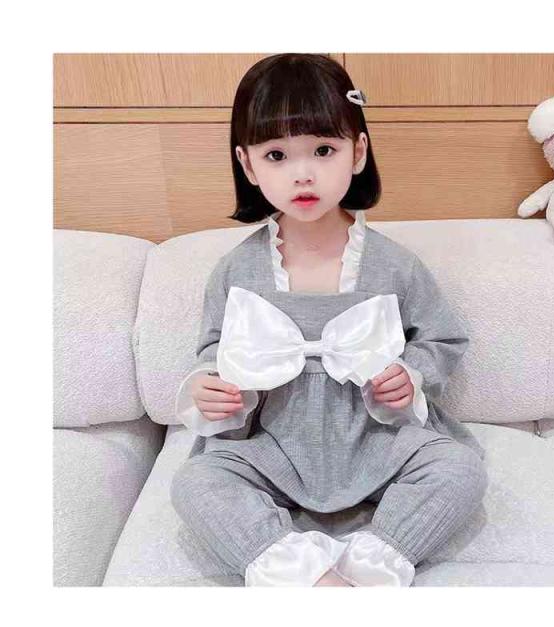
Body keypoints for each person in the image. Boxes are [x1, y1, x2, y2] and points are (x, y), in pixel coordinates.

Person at [171, 53, 488, 587]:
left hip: (377, 440)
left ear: (357, 152)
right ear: (248, 165)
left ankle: (379, 556)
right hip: (272, 445)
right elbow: (214, 348)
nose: (303, 173)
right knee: (196, 482)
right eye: (276, 155)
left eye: (323, 150)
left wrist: (410, 374)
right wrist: (209, 385)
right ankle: (300, 570)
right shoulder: (235, 271)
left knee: (461, 469)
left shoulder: (396, 265)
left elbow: (442, 337)